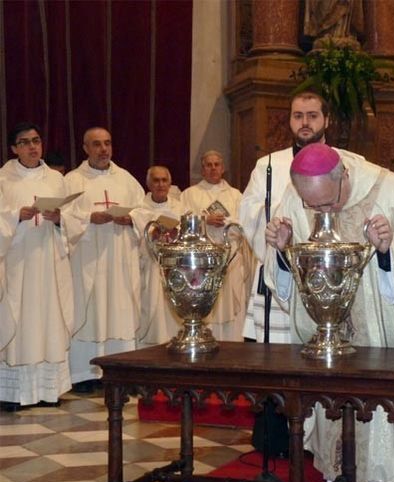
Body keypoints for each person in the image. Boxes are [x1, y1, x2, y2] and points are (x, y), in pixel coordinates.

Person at [264, 143, 394, 482]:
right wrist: (283, 251)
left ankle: (385, 478)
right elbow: (283, 279)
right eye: (312, 207)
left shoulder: (388, 187)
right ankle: (336, 472)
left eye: (329, 204)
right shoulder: (294, 196)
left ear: (344, 175)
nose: (322, 212)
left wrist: (387, 252)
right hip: (326, 336)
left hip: (381, 333)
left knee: (379, 422)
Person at [239, 90, 331, 344]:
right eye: (298, 116)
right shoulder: (268, 165)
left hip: (326, 274)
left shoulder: (343, 163)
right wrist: (276, 230)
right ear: (290, 120)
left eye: (312, 116)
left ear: (326, 120)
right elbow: (248, 215)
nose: (304, 122)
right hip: (277, 270)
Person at [64, 127, 145, 391]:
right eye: (97, 144)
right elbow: (63, 217)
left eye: (108, 143)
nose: (104, 150)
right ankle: (84, 374)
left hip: (120, 260)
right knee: (89, 311)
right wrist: (89, 218)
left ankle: (121, 372)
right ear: (85, 149)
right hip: (88, 261)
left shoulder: (126, 179)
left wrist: (131, 219)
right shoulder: (73, 181)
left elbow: (145, 211)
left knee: (119, 310)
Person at [0, 123, 73, 411]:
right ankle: (15, 392)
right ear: (13, 148)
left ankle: (48, 390)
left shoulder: (56, 180)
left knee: (48, 320)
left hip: (49, 262)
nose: (33, 147)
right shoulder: (4, 179)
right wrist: (14, 216)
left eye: (36, 141)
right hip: (18, 261)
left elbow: (73, 218)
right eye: (25, 142)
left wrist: (59, 219)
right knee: (18, 318)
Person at [181, 150, 254, 341]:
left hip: (230, 257)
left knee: (231, 302)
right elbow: (183, 223)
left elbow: (245, 223)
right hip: (203, 261)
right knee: (207, 302)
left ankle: (233, 344)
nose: (213, 168)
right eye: (208, 165)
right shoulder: (190, 194)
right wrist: (204, 220)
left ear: (223, 169)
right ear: (202, 169)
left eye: (217, 164)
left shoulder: (235, 194)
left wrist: (227, 221)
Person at [129, 166, 185, 346]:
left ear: (170, 183)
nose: (160, 184)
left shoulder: (181, 208)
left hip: (176, 269)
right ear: (148, 184)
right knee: (151, 310)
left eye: (164, 180)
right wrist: (152, 235)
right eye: (156, 180)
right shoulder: (138, 209)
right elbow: (133, 239)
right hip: (149, 267)